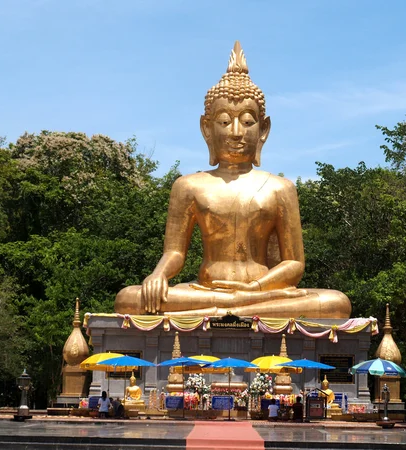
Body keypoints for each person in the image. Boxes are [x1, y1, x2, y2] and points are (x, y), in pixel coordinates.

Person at [114, 41, 351, 319]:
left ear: (264, 130)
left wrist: (252, 289)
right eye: (225, 121)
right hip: (206, 290)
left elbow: (294, 263)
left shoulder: (281, 188)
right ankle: (229, 309)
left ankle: (226, 310)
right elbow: (175, 253)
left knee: (336, 303)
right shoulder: (189, 186)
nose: (236, 132)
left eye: (248, 122)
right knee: (129, 299)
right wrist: (158, 275)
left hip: (262, 292)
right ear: (206, 128)